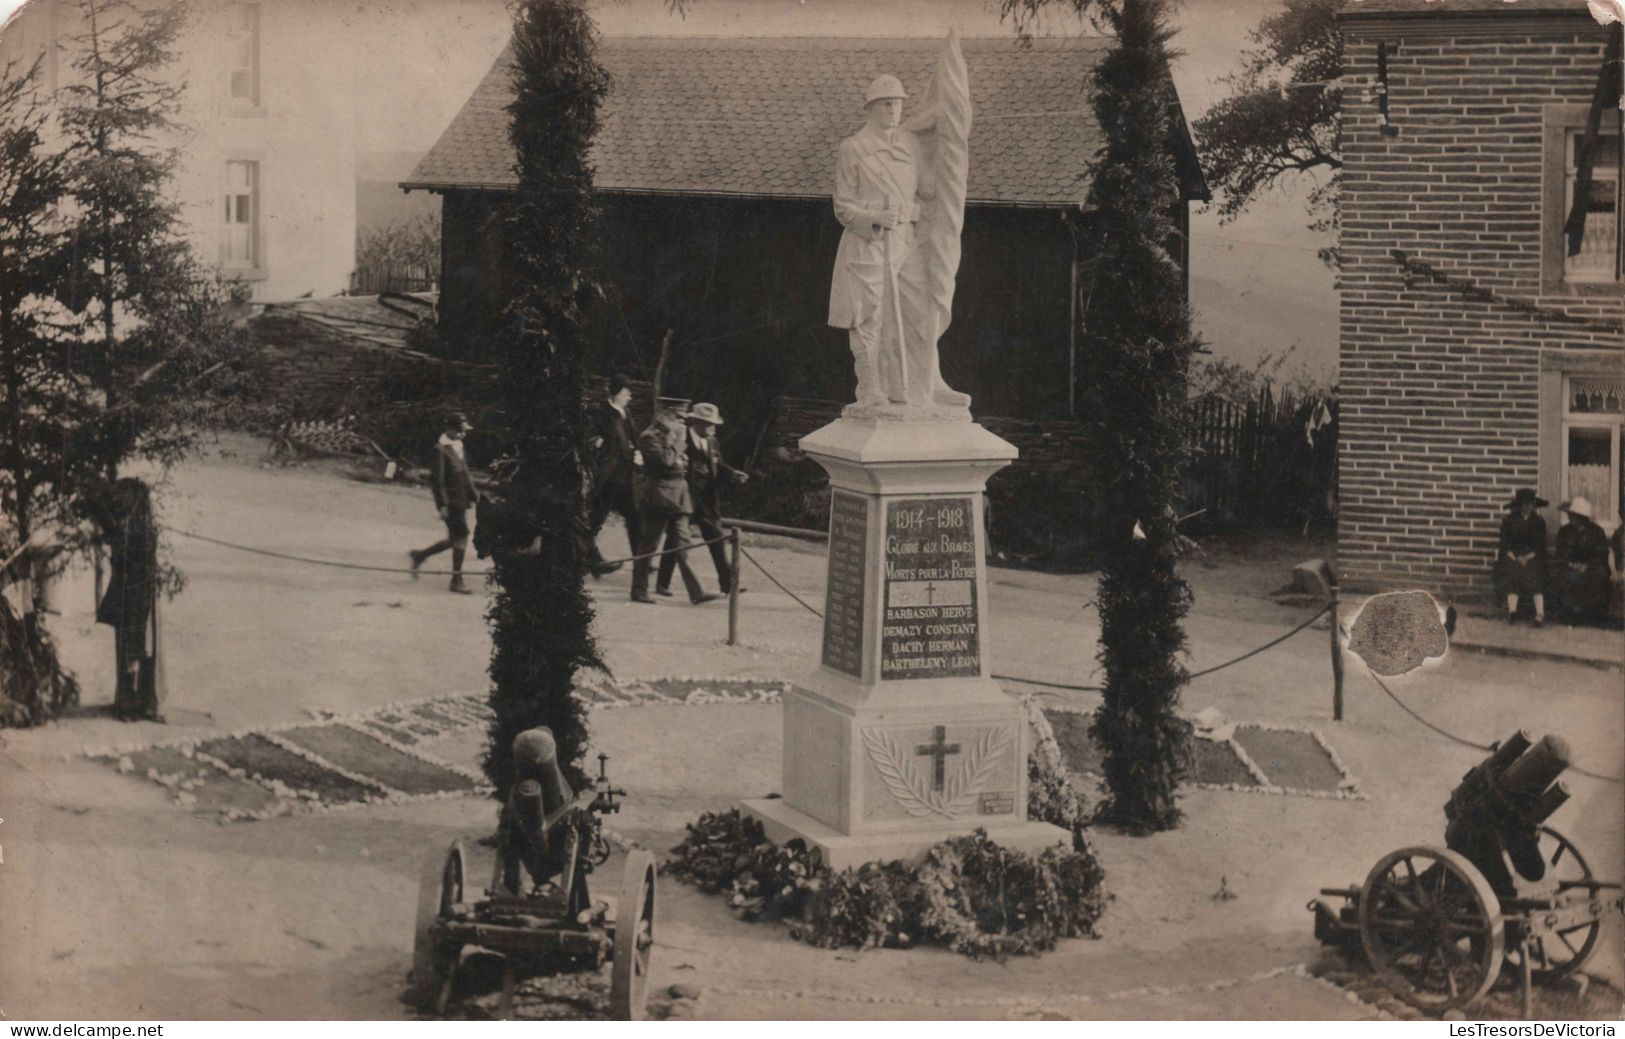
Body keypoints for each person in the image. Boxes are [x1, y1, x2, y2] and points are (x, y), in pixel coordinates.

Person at [829, 69, 970, 412]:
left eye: (898, 104)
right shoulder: (854, 149)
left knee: (922, 308)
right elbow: (842, 206)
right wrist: (874, 217)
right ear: (872, 108)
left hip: (907, 241)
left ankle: (928, 382)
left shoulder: (908, 144)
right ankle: (872, 390)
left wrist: (949, 140)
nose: (894, 110)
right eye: (887, 104)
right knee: (869, 316)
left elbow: (928, 189)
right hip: (870, 244)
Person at [656, 402, 749, 597]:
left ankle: (728, 585)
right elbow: (669, 461)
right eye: (709, 424)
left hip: (707, 499)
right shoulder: (682, 437)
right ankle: (662, 584)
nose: (713, 428)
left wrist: (733, 473)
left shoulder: (712, 441)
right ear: (697, 422)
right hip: (684, 497)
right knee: (676, 539)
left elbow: (718, 464)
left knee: (716, 539)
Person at [89, 478, 162, 722]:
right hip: (130, 596)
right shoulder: (128, 529)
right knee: (132, 649)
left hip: (140, 596)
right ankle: (130, 705)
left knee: (140, 649)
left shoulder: (139, 529)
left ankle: (141, 703)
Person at [631, 406, 720, 606]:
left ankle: (697, 592)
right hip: (659, 497)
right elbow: (666, 461)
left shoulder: (674, 436)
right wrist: (679, 443)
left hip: (680, 496)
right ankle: (639, 590)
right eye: (679, 419)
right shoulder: (649, 437)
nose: (683, 424)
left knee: (683, 544)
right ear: (666, 418)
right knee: (649, 545)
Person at [409, 411, 480, 594]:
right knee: (462, 535)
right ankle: (456, 580)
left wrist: (475, 495)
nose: (462, 434)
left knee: (454, 539)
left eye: (464, 431)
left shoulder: (458, 445)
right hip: (451, 502)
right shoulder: (439, 450)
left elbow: (465, 474)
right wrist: (443, 506)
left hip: (462, 499)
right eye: (459, 430)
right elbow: (438, 482)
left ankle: (420, 555)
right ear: (448, 429)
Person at [585, 374, 640, 577]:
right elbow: (591, 437)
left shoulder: (626, 413)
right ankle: (591, 558)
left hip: (626, 474)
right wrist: (598, 443)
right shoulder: (603, 413)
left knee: (634, 516)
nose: (629, 397)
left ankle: (641, 561)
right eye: (626, 393)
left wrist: (637, 453)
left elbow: (632, 438)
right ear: (616, 393)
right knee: (597, 518)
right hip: (608, 475)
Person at [1554, 496, 1610, 625]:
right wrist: (1572, 564)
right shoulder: (1564, 532)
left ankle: (1591, 615)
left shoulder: (1597, 532)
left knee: (1599, 575)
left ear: (1583, 517)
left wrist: (1587, 565)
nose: (1570, 517)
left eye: (1574, 515)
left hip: (1591, 567)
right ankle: (1571, 614)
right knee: (1568, 576)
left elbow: (1602, 554)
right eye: (1570, 514)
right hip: (1570, 566)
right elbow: (1561, 553)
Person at [1495, 488, 1547, 625]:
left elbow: (1540, 546)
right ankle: (1512, 612)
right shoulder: (1509, 521)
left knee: (1535, 573)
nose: (1527, 507)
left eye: (1530, 504)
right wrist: (1515, 557)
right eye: (1524, 504)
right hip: (1513, 557)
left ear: (1534, 505)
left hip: (1532, 557)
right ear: (1519, 505)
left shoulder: (1539, 522)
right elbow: (1504, 545)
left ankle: (1539, 614)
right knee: (1513, 572)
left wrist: (1527, 558)